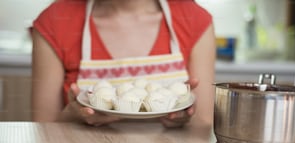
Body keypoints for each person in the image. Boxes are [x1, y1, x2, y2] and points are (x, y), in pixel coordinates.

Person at [31, 0, 216, 128]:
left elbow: (204, 124)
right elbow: (41, 131)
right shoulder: (56, 21)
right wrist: (72, 116)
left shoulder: (193, 19)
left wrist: (186, 117)